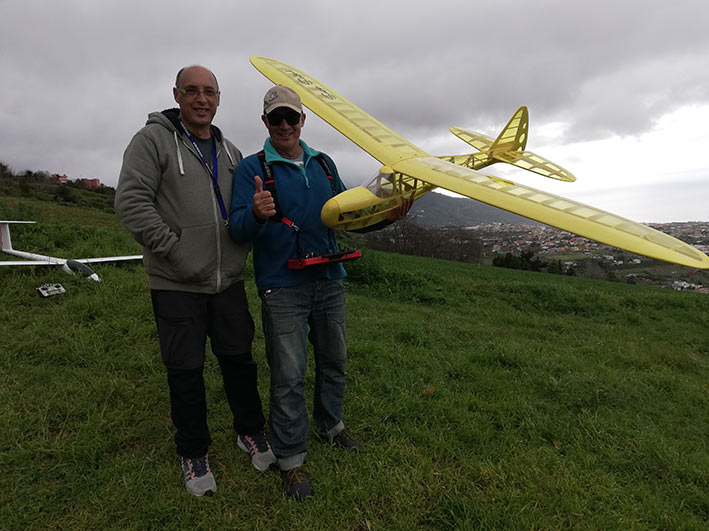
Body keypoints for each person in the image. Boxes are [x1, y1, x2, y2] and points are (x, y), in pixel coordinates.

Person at [228, 85, 411, 500]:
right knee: (288, 375)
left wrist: (389, 216)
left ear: (303, 120)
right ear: (265, 122)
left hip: (329, 280)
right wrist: (255, 214)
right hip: (282, 287)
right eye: (277, 118)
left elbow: (349, 218)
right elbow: (237, 229)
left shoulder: (324, 164)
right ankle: (291, 459)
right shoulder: (252, 169)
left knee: (335, 362)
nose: (285, 125)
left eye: (291, 117)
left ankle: (331, 426)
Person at [115, 65, 275, 497]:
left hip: (227, 280)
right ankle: (193, 451)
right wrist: (175, 249)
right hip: (176, 282)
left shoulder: (231, 152)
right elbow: (130, 201)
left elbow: (240, 212)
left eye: (209, 92)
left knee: (239, 360)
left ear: (219, 99)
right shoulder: (152, 141)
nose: (201, 99)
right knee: (185, 370)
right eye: (192, 91)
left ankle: (250, 431)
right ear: (177, 95)